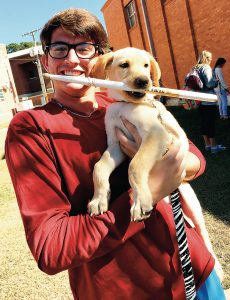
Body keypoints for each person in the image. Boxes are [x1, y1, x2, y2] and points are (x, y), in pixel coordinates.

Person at [5, 9, 226, 300]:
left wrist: (172, 159)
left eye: (84, 48)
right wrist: (149, 190)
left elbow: (196, 162)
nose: (72, 60)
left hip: (192, 269)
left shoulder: (124, 100)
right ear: (45, 60)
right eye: (59, 49)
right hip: (123, 290)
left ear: (101, 59)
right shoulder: (32, 127)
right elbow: (51, 248)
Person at [192, 50, 226, 154]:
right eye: (210, 58)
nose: (211, 60)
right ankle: (214, 146)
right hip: (208, 99)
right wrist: (216, 82)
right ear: (206, 58)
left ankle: (207, 145)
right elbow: (210, 83)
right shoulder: (205, 67)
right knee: (210, 122)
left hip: (199, 99)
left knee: (203, 122)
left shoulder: (195, 67)